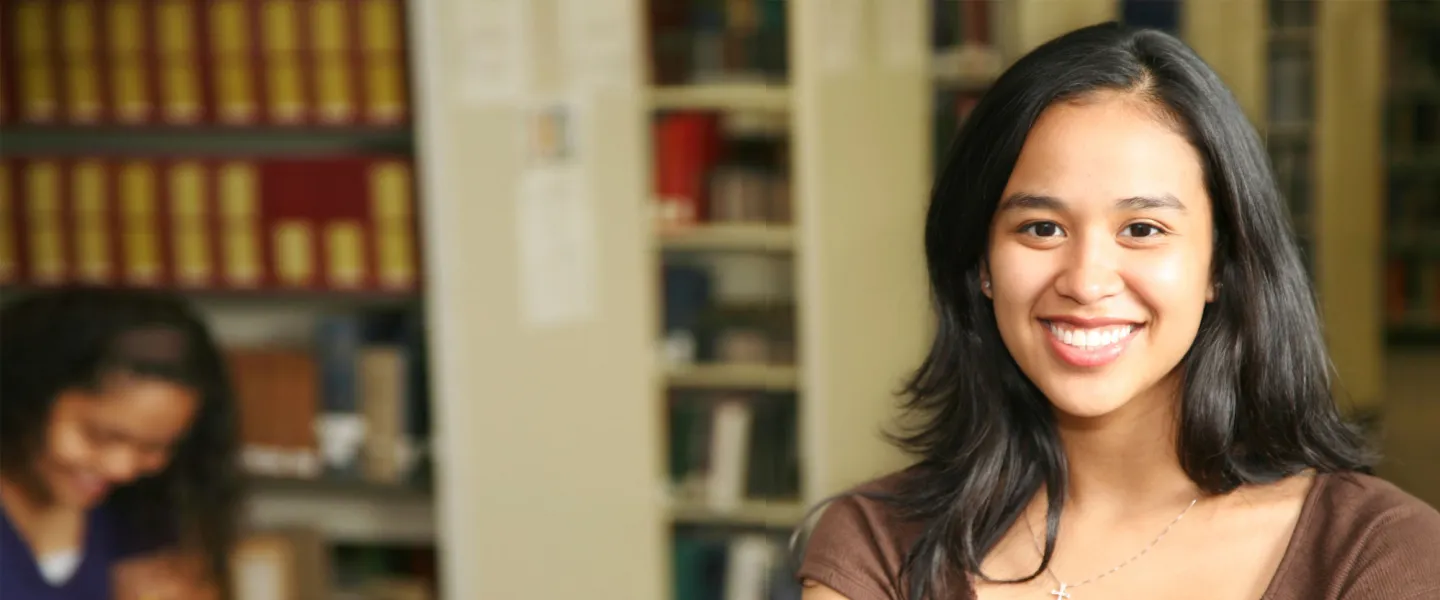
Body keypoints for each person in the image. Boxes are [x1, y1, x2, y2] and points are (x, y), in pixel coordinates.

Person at [795, 22, 1440, 600]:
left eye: (1143, 228)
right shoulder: (878, 546)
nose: (1085, 281)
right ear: (981, 264)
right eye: (1042, 228)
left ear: (1220, 263)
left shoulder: (1381, 557)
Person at [0, 288, 242, 600]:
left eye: (155, 447)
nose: (121, 469)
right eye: (97, 436)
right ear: (28, 402)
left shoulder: (143, 513)